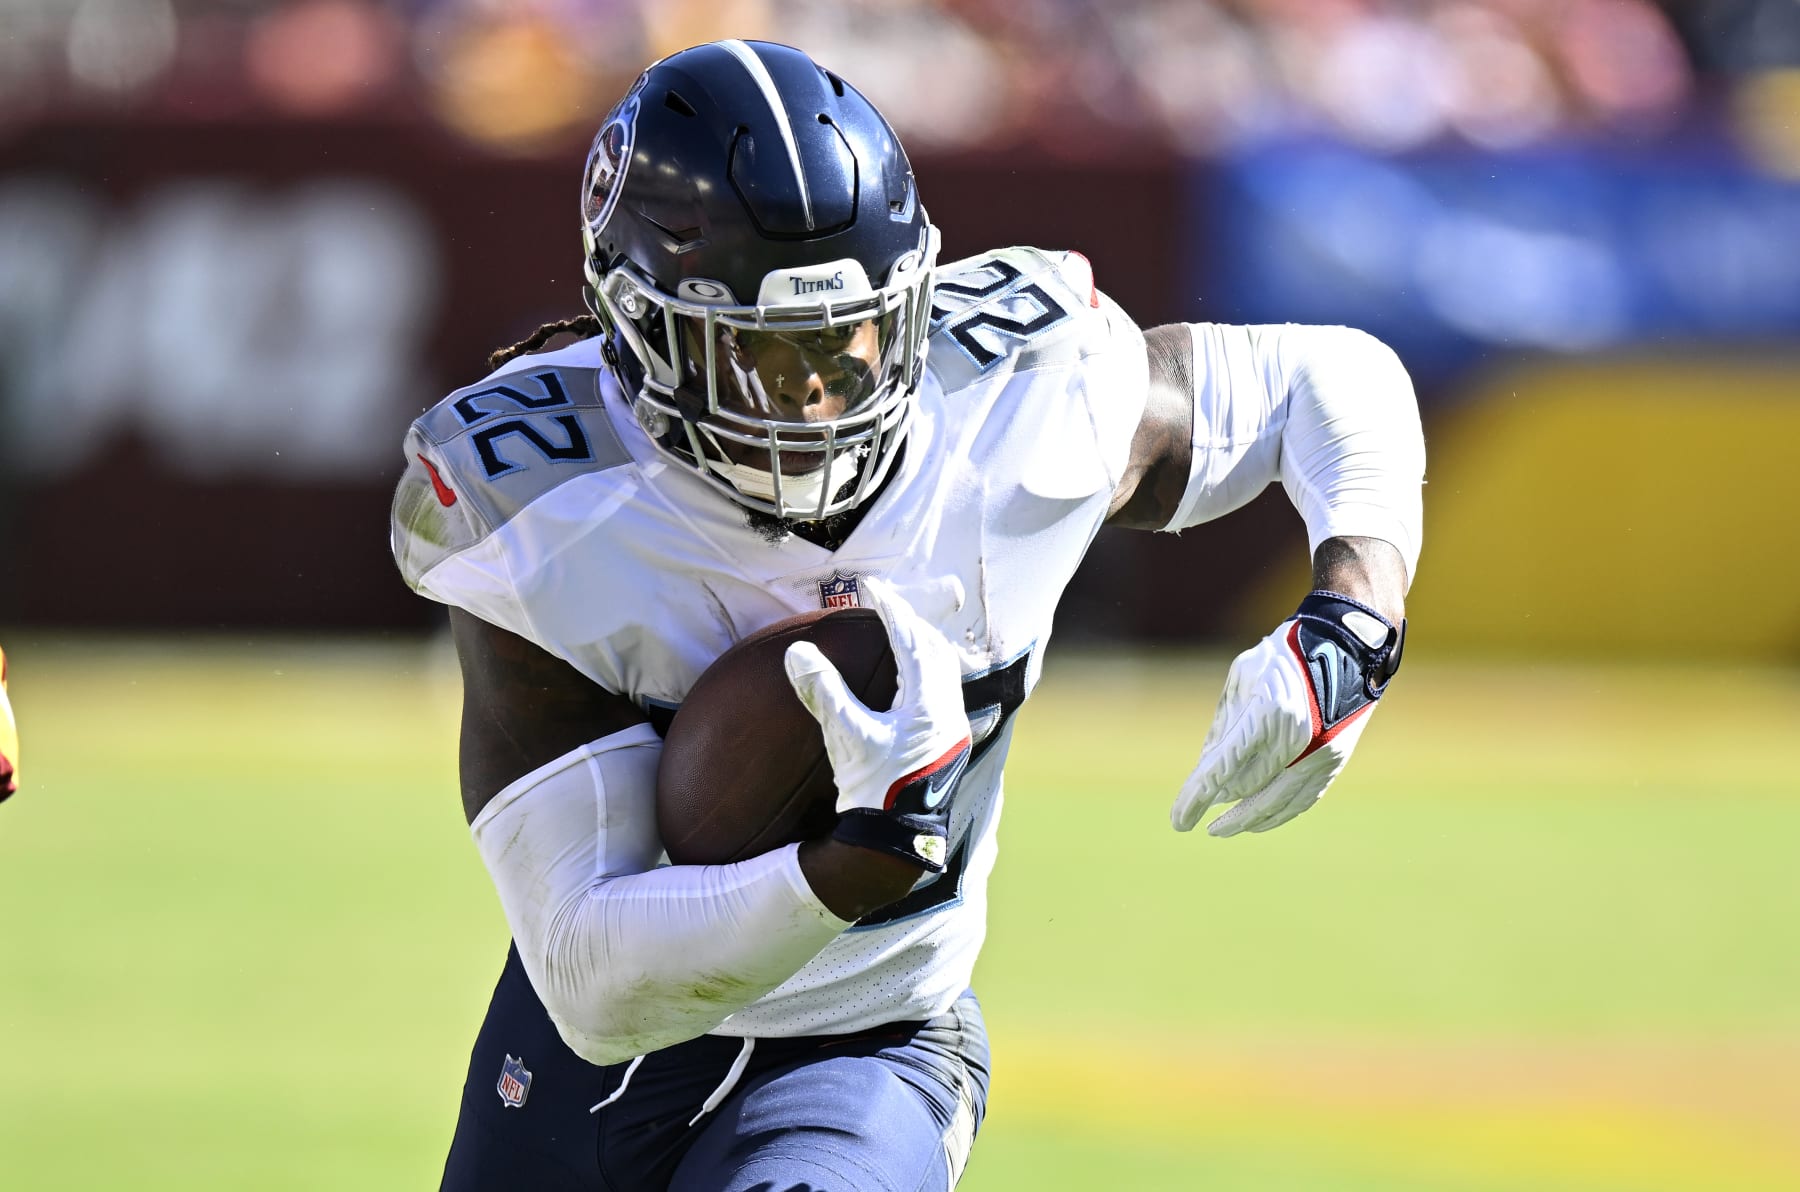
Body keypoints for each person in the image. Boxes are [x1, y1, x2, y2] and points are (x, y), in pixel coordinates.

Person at [391, 38, 1423, 1192]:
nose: (818, 393)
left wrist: (1352, 621)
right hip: (594, 1057)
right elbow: (591, 981)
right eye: (764, 352)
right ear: (638, 328)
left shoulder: (1018, 402)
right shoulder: (540, 506)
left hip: (867, 1046)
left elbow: (1335, 381)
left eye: (851, 335)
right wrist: (848, 864)